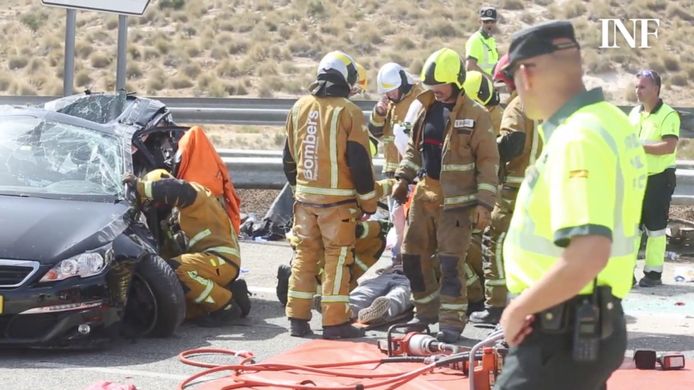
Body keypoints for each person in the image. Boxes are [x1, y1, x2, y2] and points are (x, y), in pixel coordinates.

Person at [495, 21, 647, 389]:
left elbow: (589, 253)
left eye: (512, 84)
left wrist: (517, 310)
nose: (515, 95)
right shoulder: (611, 122)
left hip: (557, 333)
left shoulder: (578, 136)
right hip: (584, 325)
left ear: (527, 75)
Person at [391, 48, 499, 343]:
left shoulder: (476, 115)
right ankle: (424, 314)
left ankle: (451, 322)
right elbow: (415, 150)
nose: (435, 91)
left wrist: (484, 204)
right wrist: (403, 177)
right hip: (425, 196)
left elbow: (489, 162)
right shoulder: (426, 108)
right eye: (431, 87)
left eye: (440, 86)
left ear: (456, 81)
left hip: (457, 205)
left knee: (451, 264)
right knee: (412, 257)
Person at [282, 50, 378, 339]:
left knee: (304, 257)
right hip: (337, 204)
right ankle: (334, 323)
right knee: (337, 260)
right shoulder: (349, 111)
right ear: (345, 78)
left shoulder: (299, 107)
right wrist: (369, 201)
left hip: (304, 202)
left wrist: (301, 189)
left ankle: (297, 320)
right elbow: (360, 161)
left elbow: (288, 158)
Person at [469, 55, 543, 325]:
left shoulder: (517, 105)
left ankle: (496, 306)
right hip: (546, 190)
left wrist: (488, 151)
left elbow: (513, 141)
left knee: (495, 243)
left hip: (515, 189)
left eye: (502, 83)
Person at [124, 169, 250, 326]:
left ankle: (225, 306)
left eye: (155, 203)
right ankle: (231, 293)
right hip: (212, 262)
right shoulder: (180, 217)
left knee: (176, 270)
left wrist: (140, 186)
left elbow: (177, 190)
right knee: (183, 307)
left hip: (220, 260)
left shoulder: (197, 195)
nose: (157, 208)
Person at [368, 62, 423, 271]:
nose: (389, 96)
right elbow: (376, 132)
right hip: (392, 169)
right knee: (396, 219)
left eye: (392, 91)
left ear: (403, 83)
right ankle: (397, 261)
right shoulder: (390, 102)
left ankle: (407, 262)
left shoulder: (418, 99)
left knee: (409, 220)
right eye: (387, 93)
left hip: (409, 172)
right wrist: (379, 112)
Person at [629, 70, 680, 287]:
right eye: (636, 86)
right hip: (635, 178)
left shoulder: (668, 115)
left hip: (659, 179)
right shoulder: (633, 113)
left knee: (656, 229)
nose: (637, 91)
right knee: (631, 228)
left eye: (642, 87)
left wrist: (639, 147)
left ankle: (652, 273)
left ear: (656, 89)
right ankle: (626, 272)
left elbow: (669, 146)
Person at [465, 6, 500, 77]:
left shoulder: (491, 40)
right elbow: (470, 66)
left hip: (491, 84)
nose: (489, 24)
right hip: (480, 85)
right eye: (486, 22)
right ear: (480, 22)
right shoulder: (475, 40)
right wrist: (488, 79)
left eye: (492, 21)